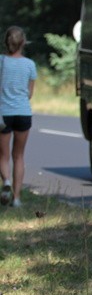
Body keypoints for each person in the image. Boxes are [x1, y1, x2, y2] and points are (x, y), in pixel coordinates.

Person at [0, 26, 37, 207]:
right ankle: (16, 199)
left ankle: (6, 182)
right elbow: (29, 94)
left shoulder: (0, 62)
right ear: (23, 42)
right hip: (23, 113)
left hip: (3, 114)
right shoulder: (30, 64)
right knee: (19, 156)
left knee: (3, 155)